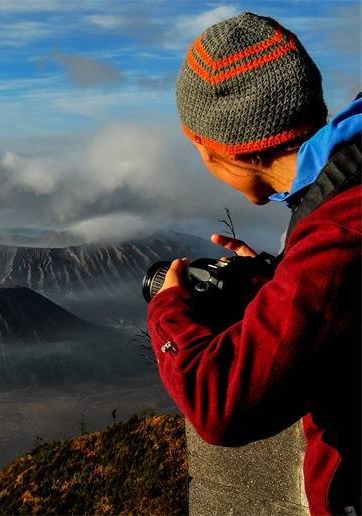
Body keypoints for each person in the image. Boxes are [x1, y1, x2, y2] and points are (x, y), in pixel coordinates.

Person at [147, 12, 361, 516]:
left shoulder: (339, 232)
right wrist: (280, 278)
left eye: (194, 144)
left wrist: (168, 307)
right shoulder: (342, 191)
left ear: (218, 148)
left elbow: (220, 406)